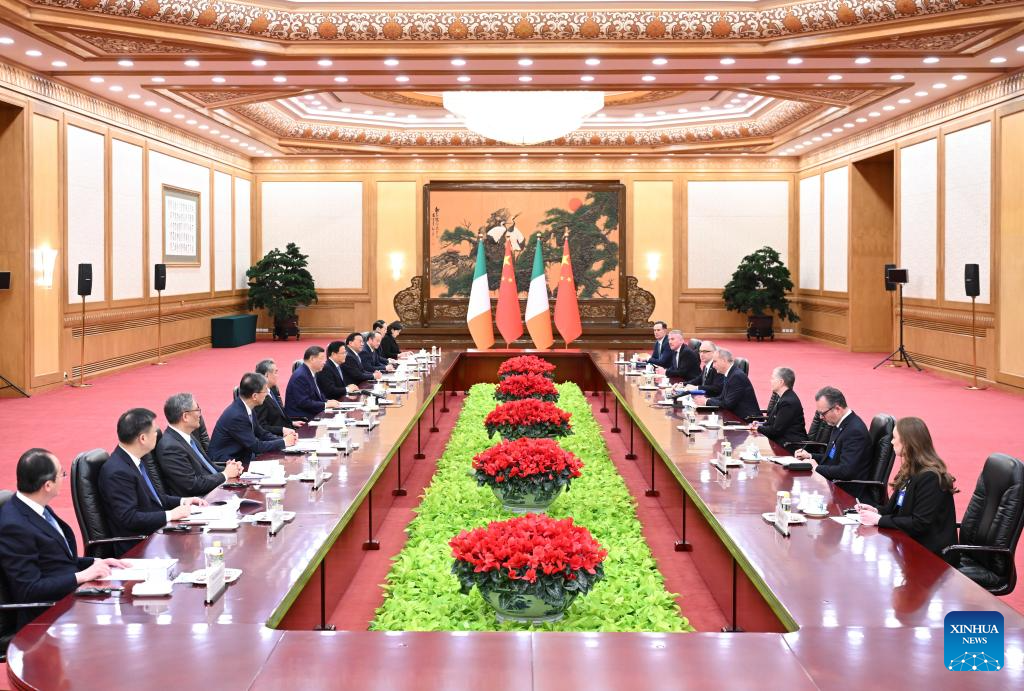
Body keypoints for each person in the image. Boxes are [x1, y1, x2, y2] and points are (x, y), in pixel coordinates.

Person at [0, 449, 129, 631]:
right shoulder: (14, 525)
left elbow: (54, 560)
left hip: (70, 599)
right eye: (61, 474)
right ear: (47, 485)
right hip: (48, 618)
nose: (63, 477)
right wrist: (82, 576)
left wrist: (95, 562)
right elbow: (29, 590)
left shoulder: (37, 507)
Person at [98, 408, 207, 556]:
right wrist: (170, 515)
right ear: (142, 438)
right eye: (154, 431)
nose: (157, 434)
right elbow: (129, 518)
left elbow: (155, 499)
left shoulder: (136, 460)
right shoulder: (117, 471)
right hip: (139, 546)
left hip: (155, 535)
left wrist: (183, 501)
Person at [856, 417, 958, 556]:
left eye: (894, 438)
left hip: (932, 554)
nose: (891, 442)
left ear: (908, 442)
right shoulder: (910, 469)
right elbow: (895, 509)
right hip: (909, 543)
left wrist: (879, 520)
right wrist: (876, 511)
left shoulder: (930, 477)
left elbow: (920, 523)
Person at [157, 393, 243, 497]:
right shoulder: (170, 448)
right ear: (185, 416)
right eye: (197, 410)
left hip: (214, 489)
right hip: (201, 499)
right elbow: (191, 485)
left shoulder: (188, 435)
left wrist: (230, 468)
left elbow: (208, 467)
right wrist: (225, 474)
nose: (199, 415)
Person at [209, 373, 297, 465]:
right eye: (265, 391)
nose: (267, 394)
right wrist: (283, 442)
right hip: (227, 462)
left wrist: (284, 439)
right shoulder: (237, 416)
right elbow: (255, 446)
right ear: (254, 396)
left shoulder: (247, 407)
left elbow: (261, 433)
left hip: (242, 456)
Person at [795, 386, 872, 483]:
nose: (821, 417)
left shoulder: (855, 431)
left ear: (837, 409)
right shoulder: (840, 423)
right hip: (833, 480)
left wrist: (816, 467)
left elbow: (846, 471)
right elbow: (831, 458)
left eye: (823, 413)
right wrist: (809, 456)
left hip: (844, 487)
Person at [692, 348, 760, 420]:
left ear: (724, 361)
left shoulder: (736, 377)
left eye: (715, 362)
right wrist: (706, 399)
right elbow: (722, 397)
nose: (713, 366)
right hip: (735, 416)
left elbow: (727, 404)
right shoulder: (730, 374)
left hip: (747, 420)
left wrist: (706, 401)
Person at [751, 367, 807, 446]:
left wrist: (758, 428)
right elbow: (774, 423)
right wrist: (760, 424)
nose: (770, 381)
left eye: (773, 378)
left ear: (781, 382)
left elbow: (776, 431)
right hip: (782, 441)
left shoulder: (788, 402)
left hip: (791, 445)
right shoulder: (784, 397)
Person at [285, 346, 343, 420]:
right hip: (301, 417)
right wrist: (326, 404)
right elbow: (304, 402)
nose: (324, 362)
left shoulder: (310, 372)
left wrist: (328, 401)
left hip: (310, 412)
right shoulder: (301, 376)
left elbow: (317, 395)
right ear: (312, 359)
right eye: (321, 358)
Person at [254, 359, 303, 436]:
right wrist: (282, 430)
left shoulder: (272, 389)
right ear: (266, 375)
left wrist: (291, 423)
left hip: (289, 430)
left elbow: (279, 414)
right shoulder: (259, 396)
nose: (278, 375)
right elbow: (261, 427)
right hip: (277, 437)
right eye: (275, 372)